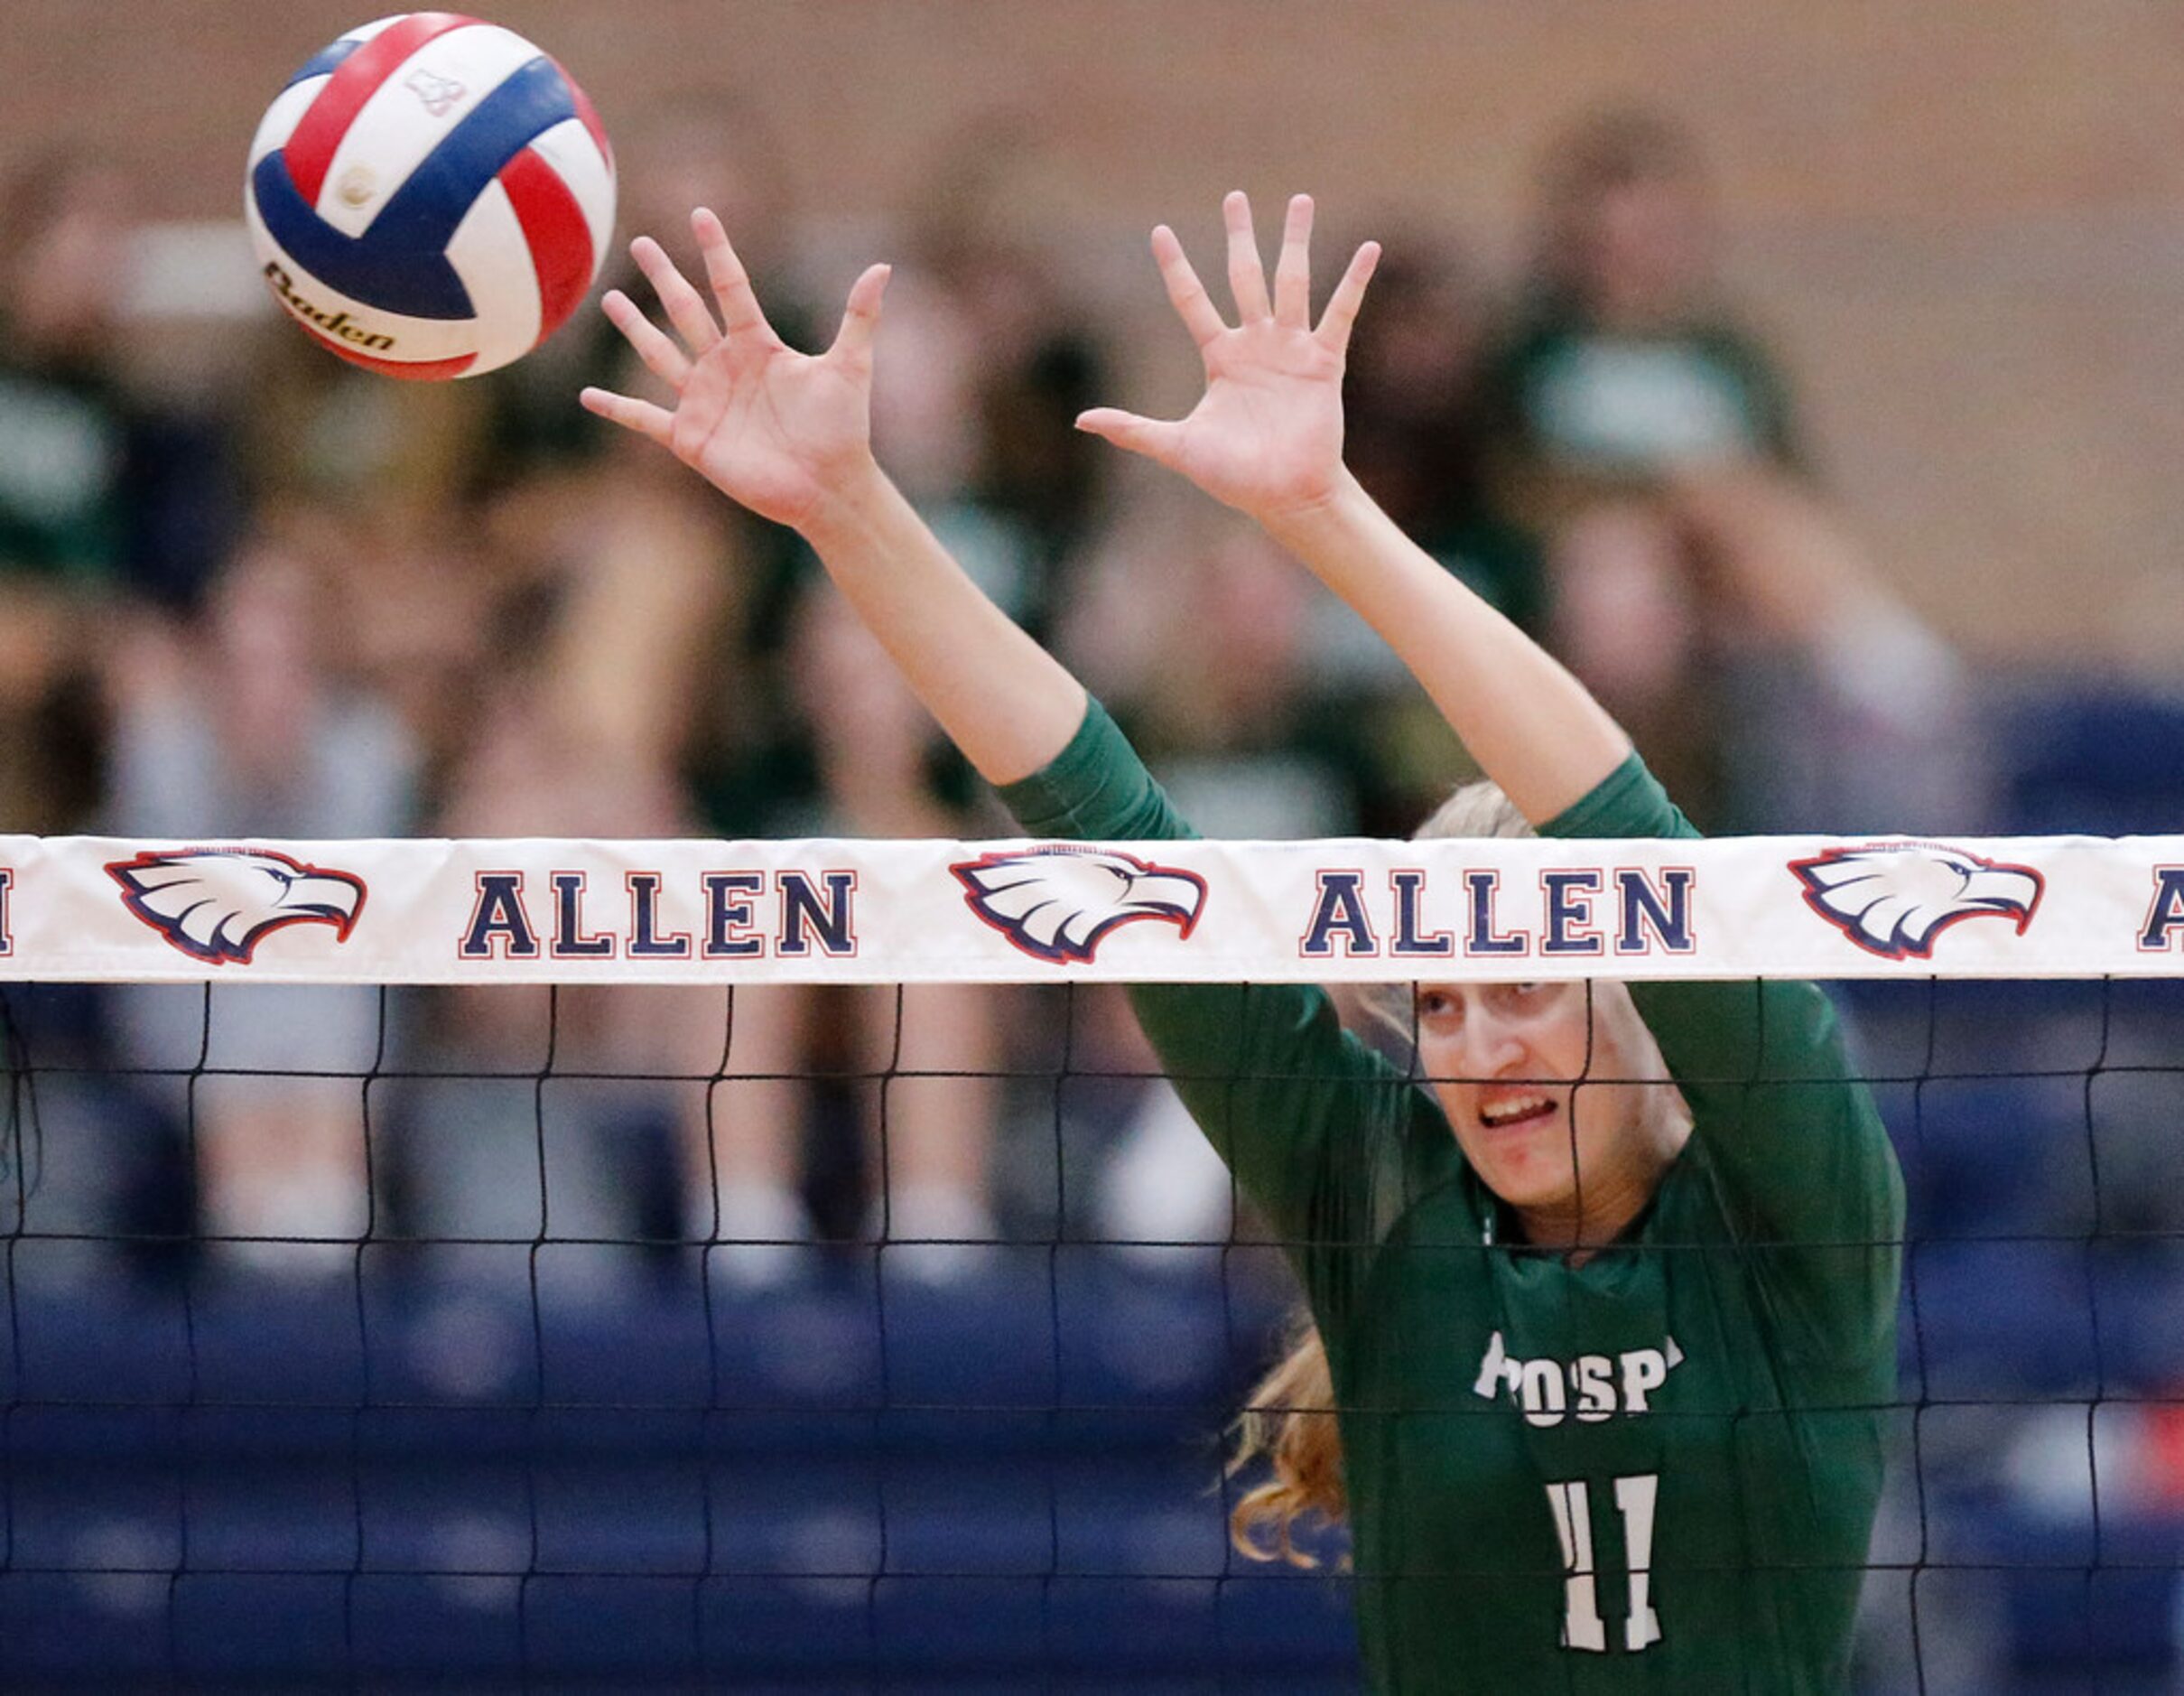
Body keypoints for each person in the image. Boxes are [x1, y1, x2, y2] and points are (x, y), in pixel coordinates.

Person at [581, 192, 1905, 1691]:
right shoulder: (1389, 1196)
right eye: (1442, 1002)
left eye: (1527, 986)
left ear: (1650, 997)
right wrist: (847, 510)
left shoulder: (1795, 1204)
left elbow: (1621, 831)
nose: (1474, 1047)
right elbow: (1108, 832)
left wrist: (1320, 513)